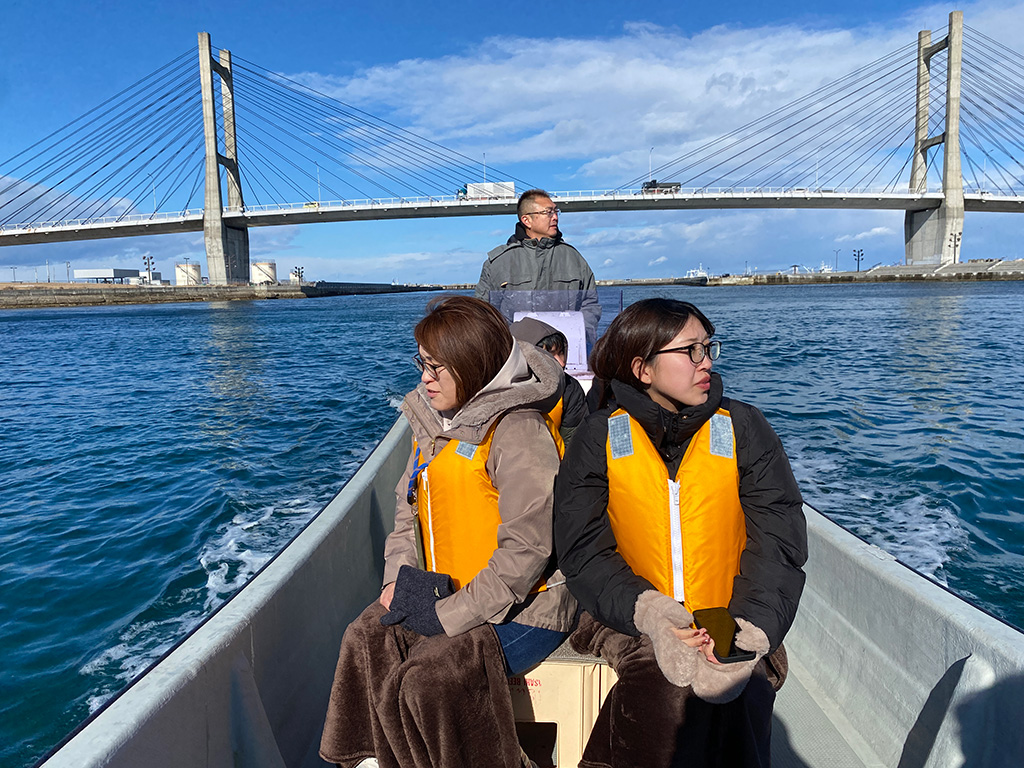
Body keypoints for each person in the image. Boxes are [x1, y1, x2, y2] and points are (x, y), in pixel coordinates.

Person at [320, 296, 578, 768]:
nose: (424, 378)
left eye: (437, 367)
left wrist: (451, 615)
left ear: (473, 367)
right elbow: (406, 515)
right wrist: (397, 582)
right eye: (423, 363)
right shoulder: (435, 428)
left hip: (527, 612)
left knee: (430, 676)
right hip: (445, 590)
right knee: (364, 638)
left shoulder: (518, 430)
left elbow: (529, 550)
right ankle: (370, 759)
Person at [553, 298, 807, 768]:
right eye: (690, 351)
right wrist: (651, 614)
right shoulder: (597, 438)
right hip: (628, 613)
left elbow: (778, 541)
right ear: (642, 368)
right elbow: (583, 549)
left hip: (731, 613)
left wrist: (748, 625)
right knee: (662, 691)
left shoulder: (745, 428)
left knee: (740, 692)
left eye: (709, 348)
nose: (706, 362)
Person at [476, 188, 601, 348]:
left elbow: (590, 303)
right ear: (527, 220)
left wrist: (580, 335)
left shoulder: (574, 258)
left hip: (565, 355)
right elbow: (482, 312)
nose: (555, 217)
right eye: (548, 212)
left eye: (556, 211)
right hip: (516, 356)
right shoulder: (499, 262)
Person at [510, 316, 588, 451]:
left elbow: (573, 445)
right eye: (551, 355)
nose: (562, 363)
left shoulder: (570, 389)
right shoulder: (497, 387)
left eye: (561, 353)